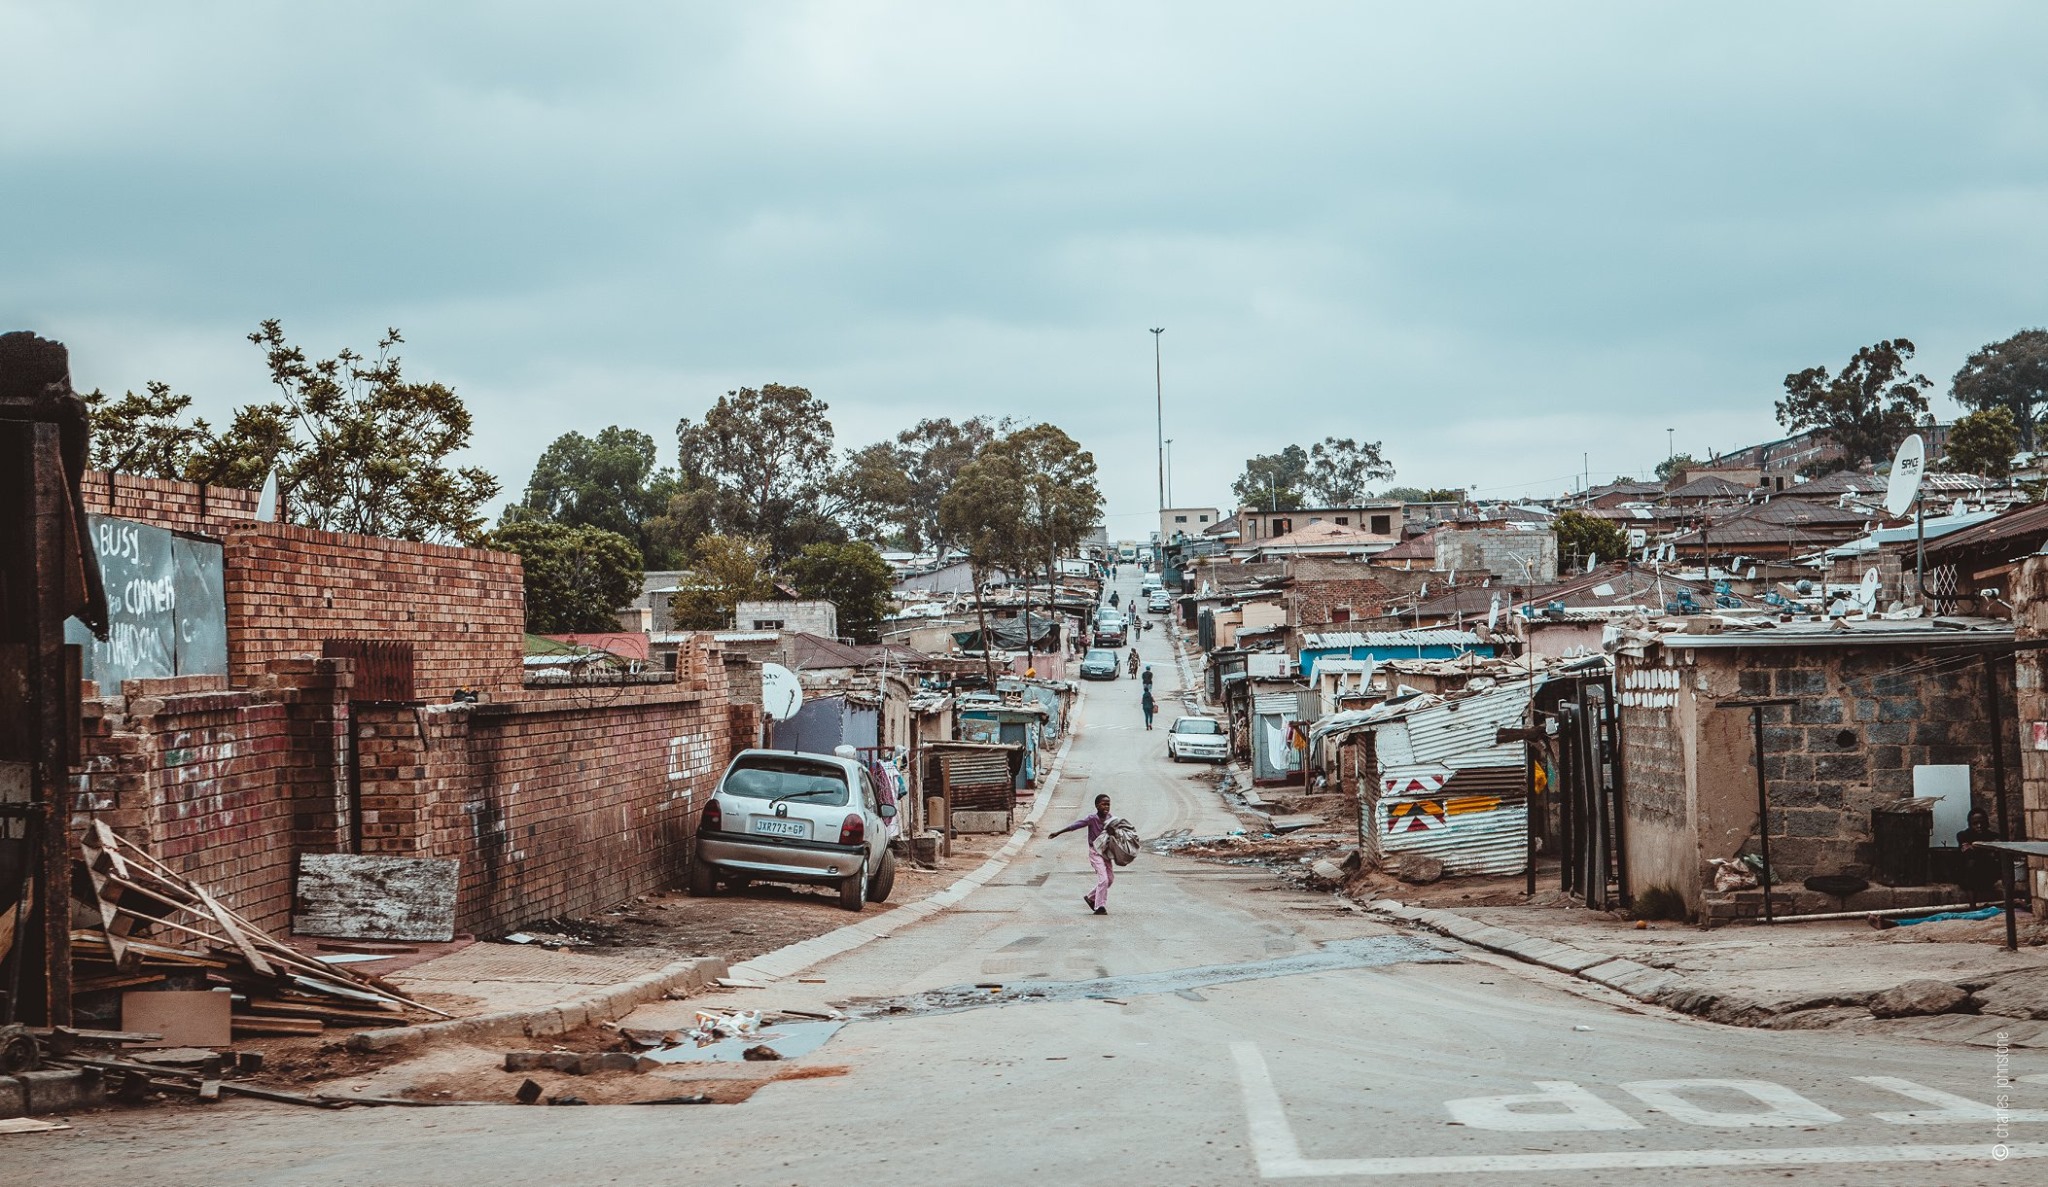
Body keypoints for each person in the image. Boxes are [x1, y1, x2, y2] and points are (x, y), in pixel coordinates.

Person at [1051, 793, 1117, 914]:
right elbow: (1076, 825)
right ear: (1097, 806)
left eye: (1108, 804)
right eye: (1103, 804)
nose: (1106, 807)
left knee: (1110, 879)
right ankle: (1099, 906)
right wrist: (1058, 832)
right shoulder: (1092, 819)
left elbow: (1118, 832)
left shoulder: (1110, 818)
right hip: (1095, 853)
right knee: (1103, 879)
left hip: (1106, 853)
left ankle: (1091, 897)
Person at [1959, 809, 2001, 906]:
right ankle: (1973, 907)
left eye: (1981, 823)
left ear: (1987, 823)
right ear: (1970, 824)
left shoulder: (1993, 836)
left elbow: (1996, 854)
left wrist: (1975, 848)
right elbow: (1968, 853)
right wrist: (1987, 850)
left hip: (1987, 874)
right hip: (1969, 875)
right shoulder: (1963, 835)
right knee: (1971, 864)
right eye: (1975, 823)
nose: (1979, 826)